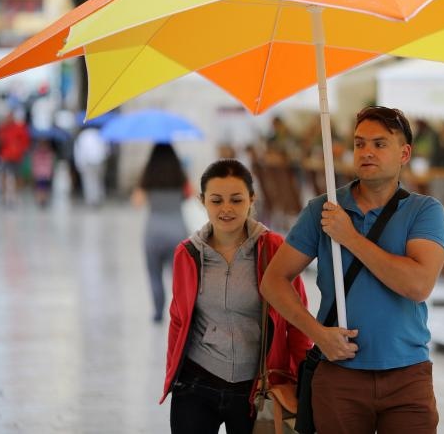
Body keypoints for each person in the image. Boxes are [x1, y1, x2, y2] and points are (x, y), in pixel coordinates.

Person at [261, 106, 444, 434]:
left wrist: (349, 237)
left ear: (404, 153)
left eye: (379, 144)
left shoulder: (424, 211)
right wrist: (318, 334)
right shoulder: (323, 209)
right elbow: (273, 281)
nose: (366, 152)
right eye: (359, 143)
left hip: (407, 374)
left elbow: (418, 285)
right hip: (339, 374)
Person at [161, 158, 311, 434]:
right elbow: (178, 319)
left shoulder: (274, 249)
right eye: (216, 200)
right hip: (196, 383)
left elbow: (297, 320)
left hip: (257, 389)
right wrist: (173, 376)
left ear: (252, 199)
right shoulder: (187, 253)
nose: (226, 208)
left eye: (236, 199)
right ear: (202, 201)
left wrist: (302, 382)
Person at [131, 144, 190, 323]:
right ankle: (180, 312)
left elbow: (136, 202)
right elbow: (192, 194)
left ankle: (158, 312)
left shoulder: (148, 176)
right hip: (177, 231)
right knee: (178, 277)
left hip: (154, 232)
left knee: (154, 274)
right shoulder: (180, 175)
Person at [0, 110, 30, 206]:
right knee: (4, 175)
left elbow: (25, 142)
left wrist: (20, 149)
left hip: (17, 156)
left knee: (17, 176)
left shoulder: (19, 127)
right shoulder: (3, 128)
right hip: (5, 156)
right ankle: (4, 196)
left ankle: (16, 195)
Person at [73, 126, 108, 206]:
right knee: (99, 180)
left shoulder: (82, 136)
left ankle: (92, 200)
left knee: (89, 181)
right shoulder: (99, 133)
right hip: (99, 160)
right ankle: (99, 198)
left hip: (88, 161)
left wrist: (79, 164)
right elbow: (106, 148)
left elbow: (79, 151)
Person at [31, 139, 55, 208]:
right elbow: (34, 163)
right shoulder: (36, 153)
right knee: (39, 187)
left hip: (45, 174)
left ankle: (43, 199)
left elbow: (50, 164)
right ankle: (40, 199)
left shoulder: (49, 154)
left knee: (44, 187)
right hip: (39, 173)